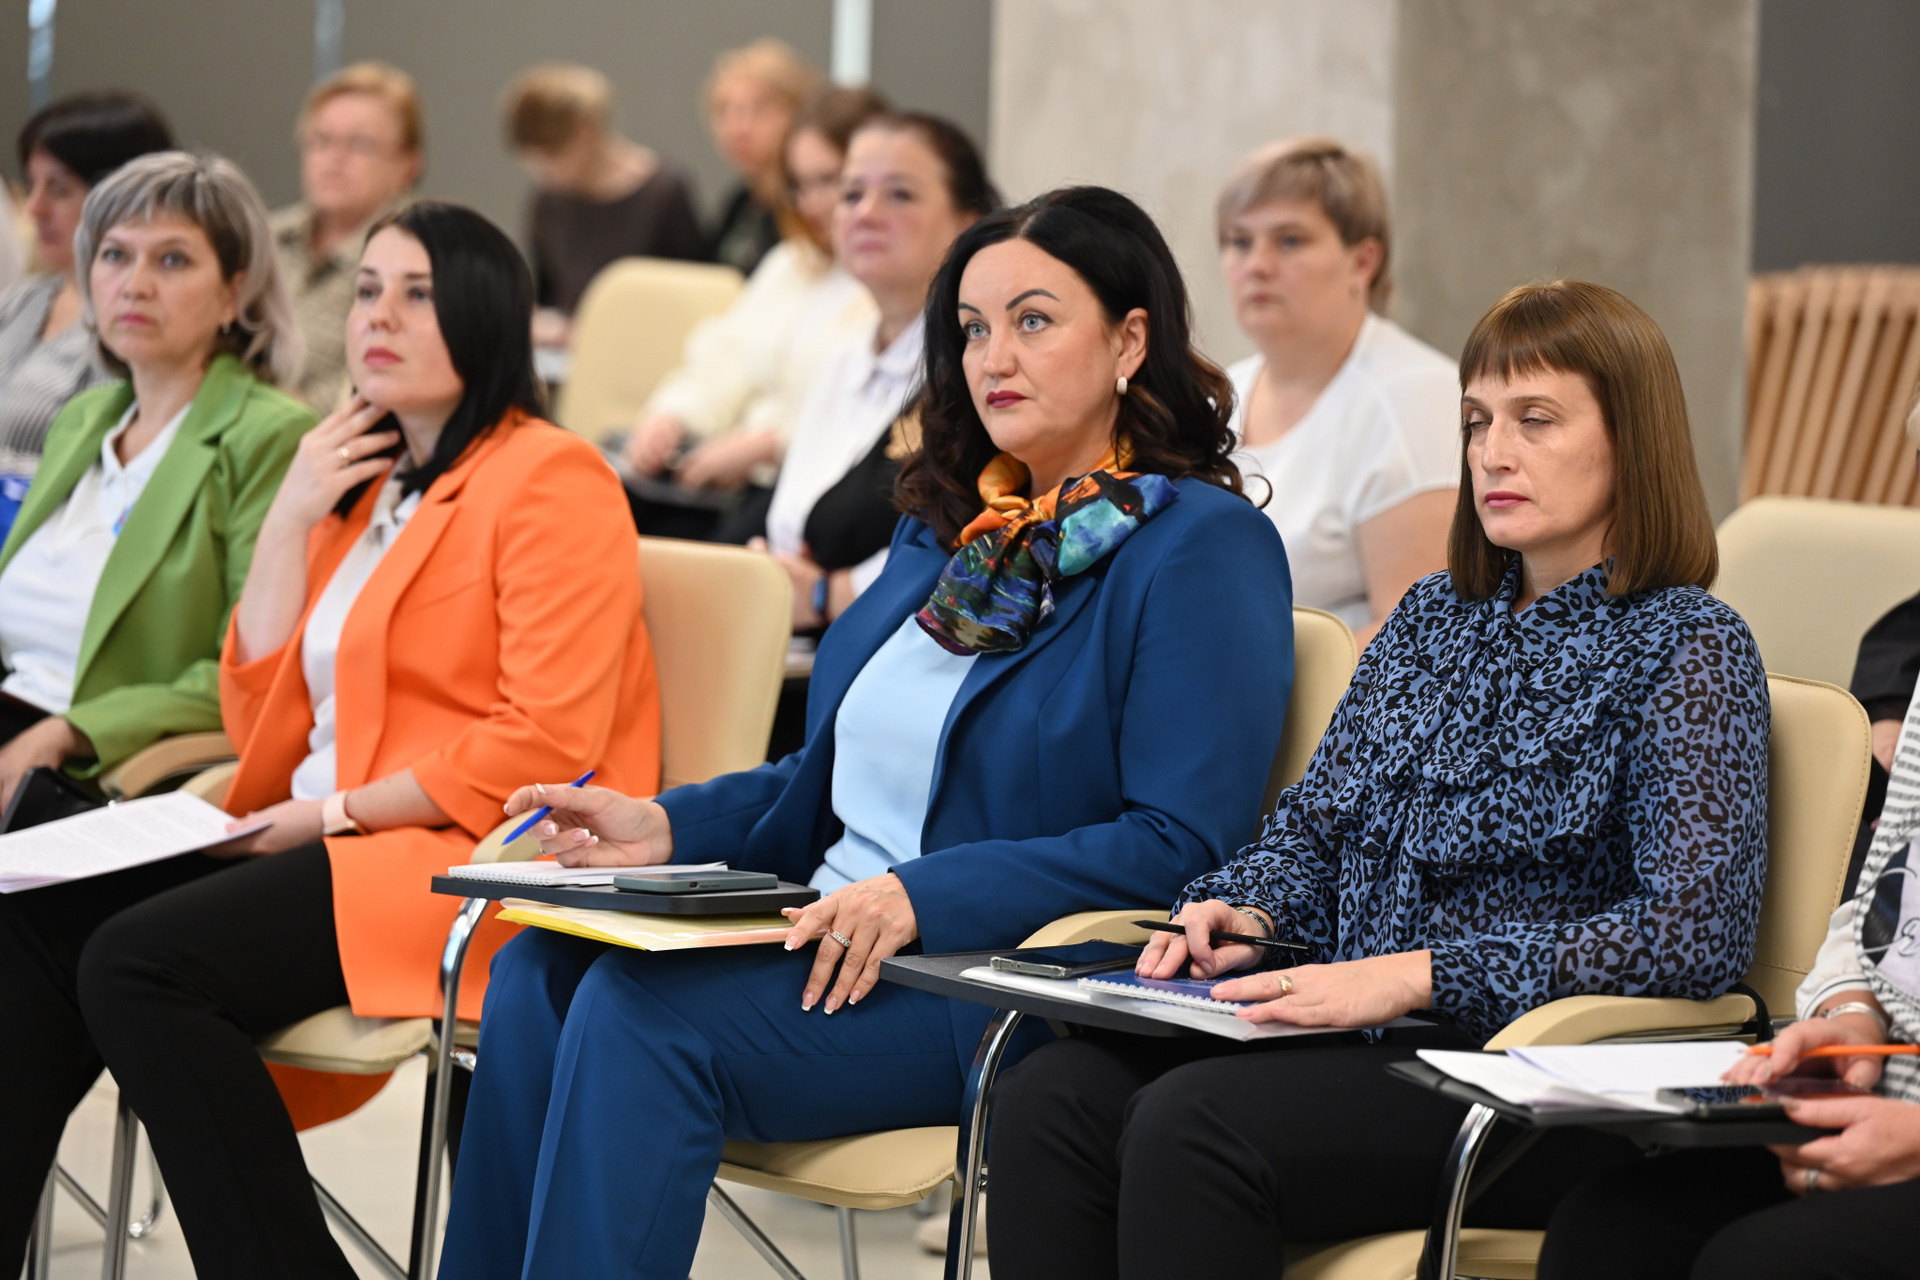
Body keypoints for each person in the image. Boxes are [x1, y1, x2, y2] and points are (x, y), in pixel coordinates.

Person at [437, 184, 1296, 1279]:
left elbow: (1181, 840)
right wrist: (664, 823)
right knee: (536, 974)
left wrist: (921, 893)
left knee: (636, 1013)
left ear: (1130, 341)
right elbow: (832, 772)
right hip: (823, 927)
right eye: (973, 329)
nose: (994, 357)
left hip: (988, 973)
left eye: (1033, 321)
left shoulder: (1199, 547)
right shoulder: (952, 528)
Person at [985, 280, 1774, 1279]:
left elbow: (1692, 932)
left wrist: (1420, 973)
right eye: (1477, 421)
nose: (1493, 453)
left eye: (1536, 420)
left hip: (1524, 1078)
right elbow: (1314, 831)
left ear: (1633, 440)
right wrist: (1248, 909)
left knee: (1192, 1125)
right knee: (1051, 1095)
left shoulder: (1688, 644)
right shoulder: (1431, 617)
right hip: (1353, 1030)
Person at [0, 201, 660, 1279]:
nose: (378, 317)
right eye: (365, 291)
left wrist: (333, 812)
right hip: (313, 828)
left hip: (460, 853)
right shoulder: (364, 482)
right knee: (31, 918)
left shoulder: (552, 476)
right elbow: (261, 715)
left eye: (417, 294)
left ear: (484, 315)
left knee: (136, 964)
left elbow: (546, 738)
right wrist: (288, 520)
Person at [1534, 629, 1920, 1280]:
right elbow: (1892, 897)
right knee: (1608, 1231)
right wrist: (1854, 1012)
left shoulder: (1693, 652)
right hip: (1883, 1093)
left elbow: (1684, 933)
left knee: (1761, 1262)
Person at [0, 150, 310, 819]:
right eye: (115, 255)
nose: (134, 285)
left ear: (233, 293)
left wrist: (72, 730)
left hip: (97, 762)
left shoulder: (269, 436)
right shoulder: (84, 418)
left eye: (172, 260)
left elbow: (248, 670)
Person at [756, 111, 999, 631]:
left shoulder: (982, 368)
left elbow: (978, 542)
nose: (865, 213)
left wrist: (828, 594)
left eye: (900, 194)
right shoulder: (842, 359)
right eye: (851, 194)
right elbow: (789, 529)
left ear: (969, 222)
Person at [1218, 138, 1459, 645]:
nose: (1257, 265)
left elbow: (1422, 634)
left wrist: (1251, 677)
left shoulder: (1415, 400)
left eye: (1289, 241)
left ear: (1362, 262)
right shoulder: (1218, 395)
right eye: (1239, 241)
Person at [619, 86, 885, 536]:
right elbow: (722, 361)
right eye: (800, 184)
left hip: (805, 490)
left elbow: (874, 421)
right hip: (723, 477)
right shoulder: (791, 264)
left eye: (829, 180)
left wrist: (768, 447)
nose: (811, 203)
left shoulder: (893, 286)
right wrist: (670, 418)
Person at [0, 91, 174, 537]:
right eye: (32, 184)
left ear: (121, 199)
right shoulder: (22, 300)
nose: (34, 208)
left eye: (58, 189)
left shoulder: (135, 326)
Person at [505, 62, 704, 349]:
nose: (544, 172)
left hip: (648, 352)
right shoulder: (548, 200)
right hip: (567, 359)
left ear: (587, 130)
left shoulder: (663, 193)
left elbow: (691, 296)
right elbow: (545, 294)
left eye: (554, 155)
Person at [270, 61, 425, 412]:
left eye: (359, 144)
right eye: (321, 141)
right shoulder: (264, 238)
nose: (335, 158)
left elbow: (388, 384)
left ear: (408, 163)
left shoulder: (423, 255)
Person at [702, 38, 818, 276]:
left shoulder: (810, 211)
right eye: (725, 110)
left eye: (759, 109)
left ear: (798, 112)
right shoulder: (738, 204)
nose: (738, 128)